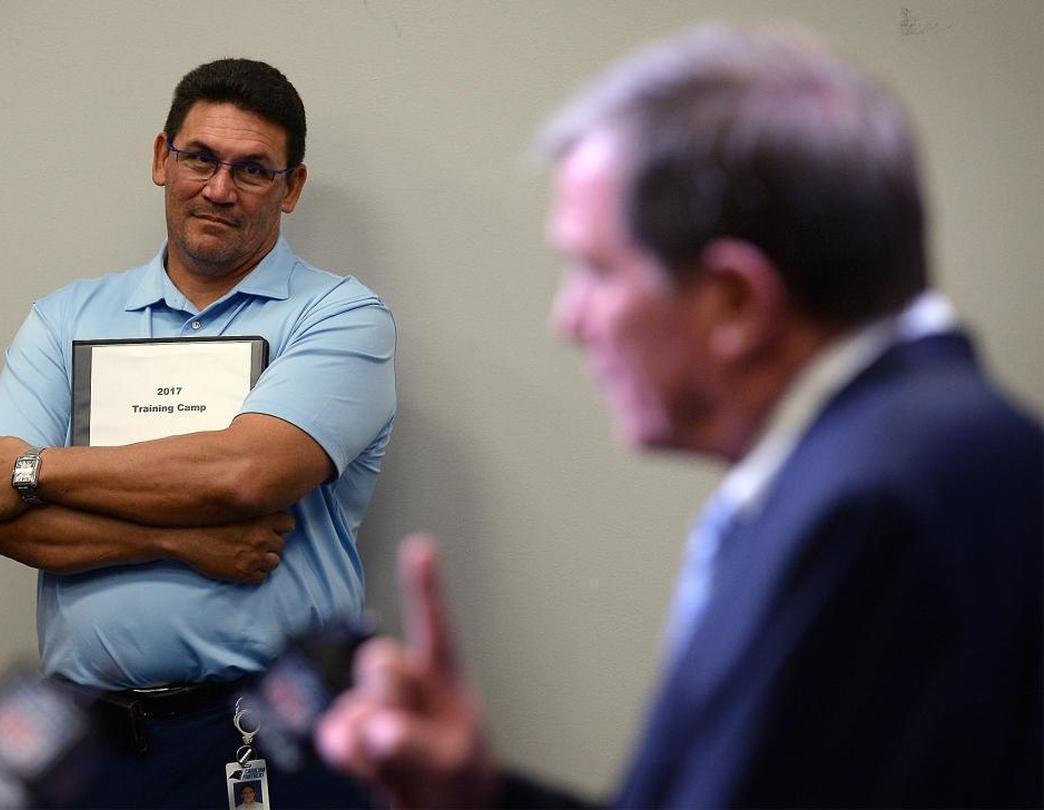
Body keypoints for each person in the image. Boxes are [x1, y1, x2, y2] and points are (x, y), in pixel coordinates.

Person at [315, 23, 1042, 809]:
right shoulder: (920, 451)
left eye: (595, 269)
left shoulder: (872, 509)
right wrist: (478, 797)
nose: (570, 319)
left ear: (735, 301)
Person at [0, 58, 394, 807]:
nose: (220, 189)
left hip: (269, 731)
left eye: (253, 170)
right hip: (86, 735)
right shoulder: (65, 319)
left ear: (293, 187)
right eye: (201, 159)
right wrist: (180, 540)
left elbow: (247, 473)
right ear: (163, 159)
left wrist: (34, 470)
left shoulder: (340, 316)